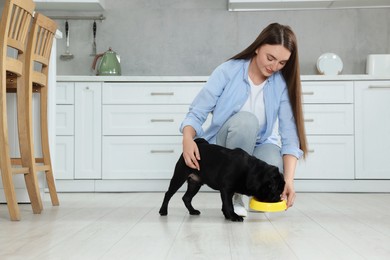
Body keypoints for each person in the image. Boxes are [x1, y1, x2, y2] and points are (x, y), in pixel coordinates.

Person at [179, 22, 308, 217]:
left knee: (274, 164)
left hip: (259, 145)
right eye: (270, 58)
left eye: (282, 63)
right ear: (257, 47)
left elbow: (290, 137)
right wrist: (187, 139)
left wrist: (289, 181)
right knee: (247, 122)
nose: (274, 67)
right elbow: (197, 112)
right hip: (226, 146)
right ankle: (235, 195)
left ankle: (253, 198)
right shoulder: (228, 71)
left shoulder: (280, 84)